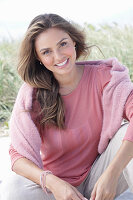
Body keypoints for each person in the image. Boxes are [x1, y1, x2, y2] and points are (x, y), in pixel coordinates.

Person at [0, 13, 133, 200]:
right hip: (56, 190)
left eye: (63, 44)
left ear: (74, 42)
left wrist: (112, 173)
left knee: (127, 133)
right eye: (46, 52)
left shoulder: (105, 76)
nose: (59, 56)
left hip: (100, 178)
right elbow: (17, 155)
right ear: (38, 58)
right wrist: (53, 183)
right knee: (12, 188)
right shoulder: (33, 95)